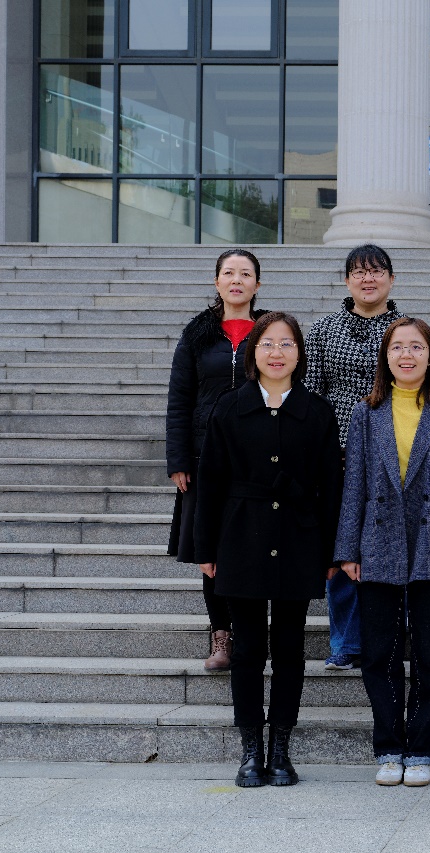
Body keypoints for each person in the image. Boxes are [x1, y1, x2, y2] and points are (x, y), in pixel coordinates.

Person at [194, 312, 342, 788]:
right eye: (268, 344)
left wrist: (331, 550)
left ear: (299, 354)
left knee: (291, 648)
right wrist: (206, 546)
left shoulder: (317, 411)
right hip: (242, 536)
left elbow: (331, 486)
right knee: (248, 649)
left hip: (299, 537)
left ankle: (281, 749)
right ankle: (250, 750)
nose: (277, 352)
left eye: (287, 344)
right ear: (254, 353)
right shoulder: (229, 407)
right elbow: (210, 482)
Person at [335, 317, 430, 788]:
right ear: (385, 356)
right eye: (398, 347)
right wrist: (347, 549)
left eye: (416, 347)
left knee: (429, 655)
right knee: (379, 654)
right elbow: (354, 485)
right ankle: (389, 748)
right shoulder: (365, 412)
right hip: (378, 543)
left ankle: (421, 748)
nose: (407, 355)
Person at [305, 244, 405, 672]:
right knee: (343, 548)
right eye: (360, 272)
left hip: (393, 457)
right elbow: (310, 395)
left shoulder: (406, 331)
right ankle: (346, 642)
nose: (369, 279)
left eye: (377, 271)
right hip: (338, 456)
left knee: (390, 549)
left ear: (391, 280)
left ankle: (389, 638)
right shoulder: (323, 330)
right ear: (347, 280)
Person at [166, 249, 265, 671]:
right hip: (205, 457)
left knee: (255, 544)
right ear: (217, 281)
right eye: (229, 273)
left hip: (259, 456)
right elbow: (180, 398)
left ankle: (251, 633)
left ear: (257, 284)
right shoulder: (197, 334)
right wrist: (178, 459)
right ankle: (221, 635)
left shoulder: (271, 330)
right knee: (211, 548)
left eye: (245, 274)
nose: (236, 280)